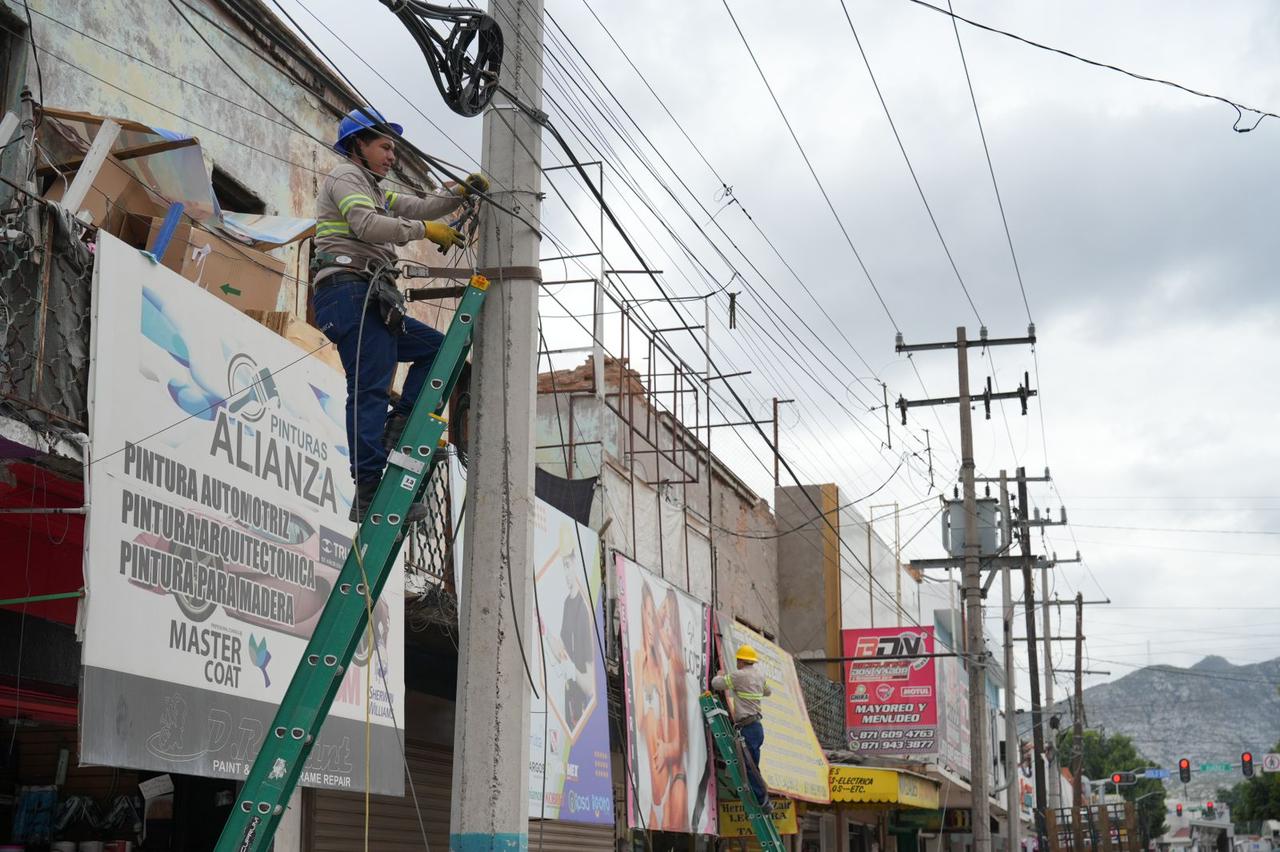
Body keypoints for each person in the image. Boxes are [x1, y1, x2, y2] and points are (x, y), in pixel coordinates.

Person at [311, 106, 488, 521]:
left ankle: (398, 425)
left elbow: (418, 206)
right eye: (385, 147)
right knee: (369, 388)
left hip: (372, 296)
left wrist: (457, 195)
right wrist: (426, 231)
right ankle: (369, 487)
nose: (392, 156)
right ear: (359, 145)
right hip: (351, 292)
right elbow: (368, 226)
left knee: (437, 350)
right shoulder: (347, 177)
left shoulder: (372, 187)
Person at [711, 644, 772, 811]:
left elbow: (717, 684)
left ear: (741, 660)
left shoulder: (739, 675)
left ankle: (762, 800)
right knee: (752, 765)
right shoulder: (759, 676)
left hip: (748, 728)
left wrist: (719, 674)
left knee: (750, 766)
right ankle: (761, 797)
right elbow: (768, 691)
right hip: (756, 727)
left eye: (738, 660)